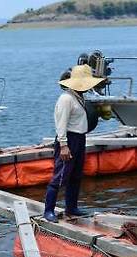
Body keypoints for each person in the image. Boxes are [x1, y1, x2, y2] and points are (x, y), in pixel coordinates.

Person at [43, 65, 104, 223]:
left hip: (79, 139)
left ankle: (71, 207)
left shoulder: (79, 97)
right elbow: (60, 124)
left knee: (76, 175)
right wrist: (63, 145)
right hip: (68, 139)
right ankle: (48, 210)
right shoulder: (66, 98)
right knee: (60, 175)